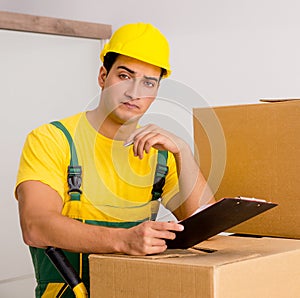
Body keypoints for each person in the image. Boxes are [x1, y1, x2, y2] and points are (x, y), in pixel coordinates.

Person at [15, 23, 214, 297]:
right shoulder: (52, 139)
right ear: (102, 76)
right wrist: (124, 241)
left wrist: (183, 152)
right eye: (124, 75)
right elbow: (35, 226)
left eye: (148, 82)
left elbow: (207, 228)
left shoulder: (160, 154)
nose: (135, 92)